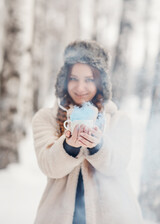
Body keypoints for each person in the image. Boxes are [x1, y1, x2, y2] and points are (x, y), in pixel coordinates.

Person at [32, 40, 144, 224]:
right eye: (73, 78)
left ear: (101, 83)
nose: (80, 87)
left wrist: (97, 146)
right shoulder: (46, 118)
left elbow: (117, 165)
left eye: (89, 79)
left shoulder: (118, 119)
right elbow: (48, 165)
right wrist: (69, 146)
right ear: (64, 80)